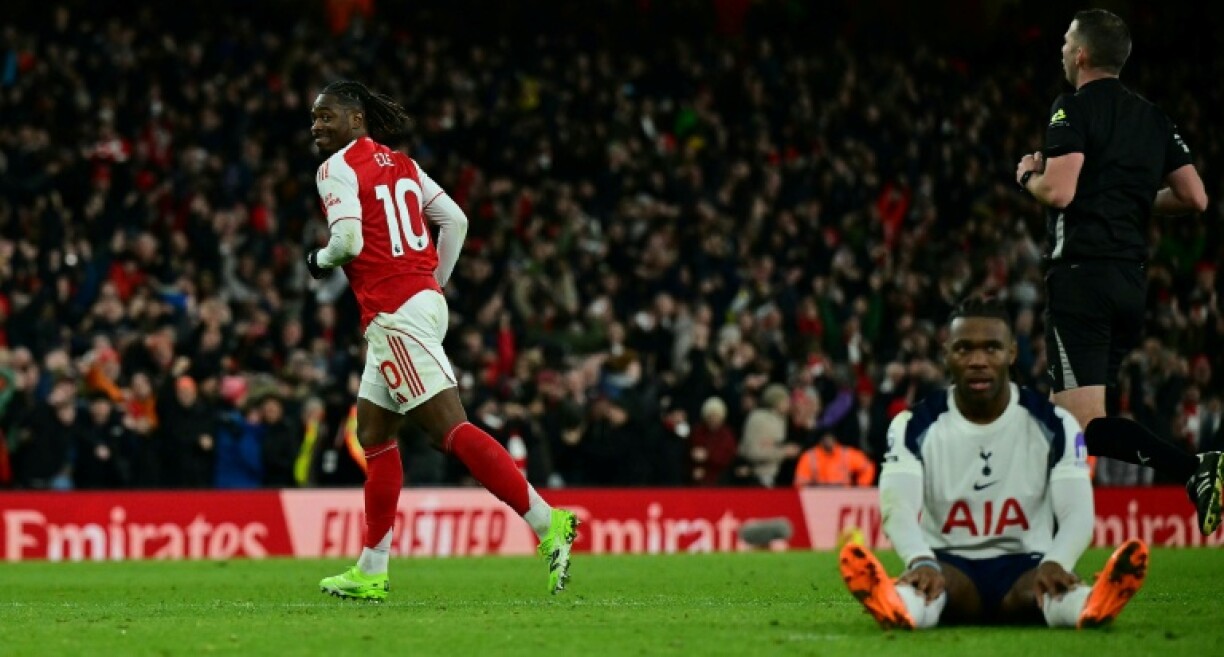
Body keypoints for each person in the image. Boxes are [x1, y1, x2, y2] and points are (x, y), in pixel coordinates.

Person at [305, 80, 577, 600]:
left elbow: (346, 241)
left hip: (394, 312)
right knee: (374, 432)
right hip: (420, 304)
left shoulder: (335, 168)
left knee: (448, 429)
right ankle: (371, 569)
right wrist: (434, 284)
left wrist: (317, 262)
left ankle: (547, 522)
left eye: (326, 115)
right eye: (314, 118)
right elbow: (455, 220)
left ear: (356, 119)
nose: (317, 126)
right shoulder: (403, 164)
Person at [1014, 9, 1220, 535]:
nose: (1062, 48)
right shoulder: (1153, 117)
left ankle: (1193, 468)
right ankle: (1040, 539)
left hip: (1082, 280)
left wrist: (1028, 176)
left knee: (1079, 425)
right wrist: (1132, 199)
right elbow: (1195, 197)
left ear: (1082, 54)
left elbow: (1059, 191)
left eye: (1066, 40)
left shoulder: (1072, 107)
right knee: (1075, 424)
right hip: (1130, 283)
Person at [839, 296, 1147, 630]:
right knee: (928, 587)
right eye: (964, 349)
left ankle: (1091, 605)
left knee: (1051, 587)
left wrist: (1058, 561)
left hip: (1026, 566)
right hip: (949, 564)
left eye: (991, 348)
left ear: (1011, 353)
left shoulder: (1055, 424)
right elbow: (897, 507)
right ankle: (897, 604)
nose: (978, 361)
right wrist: (920, 559)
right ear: (947, 354)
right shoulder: (912, 425)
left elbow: (1077, 512)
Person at [792, 432, 875, 487]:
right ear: (820, 440)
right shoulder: (810, 456)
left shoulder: (846, 454)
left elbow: (868, 467)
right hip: (819, 496)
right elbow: (800, 482)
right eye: (826, 438)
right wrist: (811, 489)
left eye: (830, 438)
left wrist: (861, 487)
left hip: (844, 495)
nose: (829, 441)